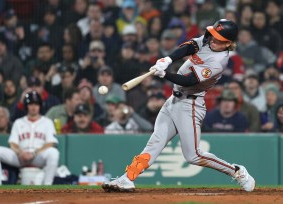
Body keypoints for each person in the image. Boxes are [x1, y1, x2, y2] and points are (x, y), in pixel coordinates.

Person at [102, 19, 255, 192]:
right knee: (155, 142)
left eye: (218, 38)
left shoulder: (218, 61)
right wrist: (168, 59)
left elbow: (189, 81)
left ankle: (237, 171)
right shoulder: (208, 40)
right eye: (213, 34)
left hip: (190, 104)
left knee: (193, 155)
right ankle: (127, 178)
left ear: (228, 43)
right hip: (174, 100)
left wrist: (165, 74)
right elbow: (189, 46)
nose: (212, 39)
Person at [0, 91, 59, 185]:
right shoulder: (18, 122)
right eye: (31, 104)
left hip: (38, 156)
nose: (33, 107)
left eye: (36, 104)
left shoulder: (47, 122)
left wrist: (34, 153)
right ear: (26, 106)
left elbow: (50, 143)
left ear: (40, 106)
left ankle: (47, 186)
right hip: (20, 157)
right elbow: (12, 143)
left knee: (54, 153)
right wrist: (20, 153)